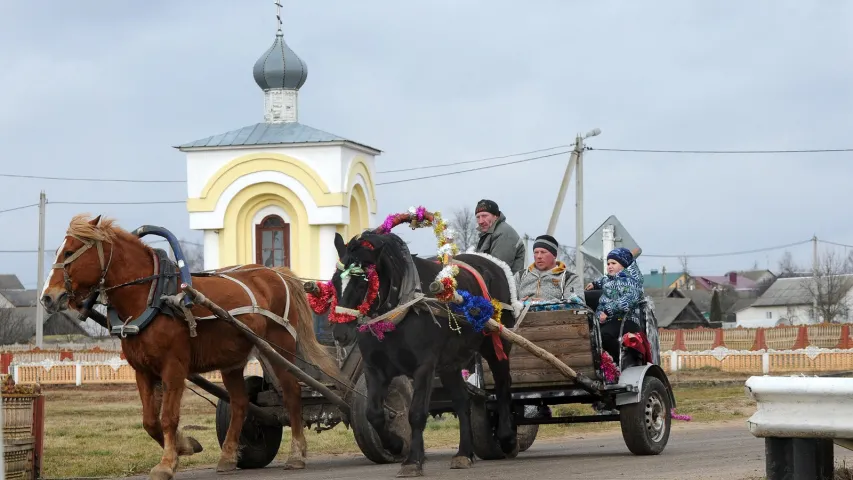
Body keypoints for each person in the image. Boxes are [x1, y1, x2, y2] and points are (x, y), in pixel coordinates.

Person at [585, 247, 644, 369]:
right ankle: (597, 362)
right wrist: (595, 284)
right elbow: (604, 280)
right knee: (590, 336)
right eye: (608, 264)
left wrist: (608, 310)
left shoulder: (630, 281)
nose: (610, 266)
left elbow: (629, 300)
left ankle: (617, 361)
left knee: (604, 336)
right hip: (609, 318)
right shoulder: (610, 279)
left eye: (613, 263)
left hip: (625, 319)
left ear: (623, 265)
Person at [514, 234, 584, 304]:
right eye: (536, 252)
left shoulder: (569, 278)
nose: (539, 256)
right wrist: (517, 304)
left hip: (556, 315)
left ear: (554, 255)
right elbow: (506, 302)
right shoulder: (520, 276)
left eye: (543, 252)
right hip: (523, 314)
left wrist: (546, 304)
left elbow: (577, 303)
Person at [473, 199, 525, 274]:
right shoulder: (488, 234)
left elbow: (496, 269)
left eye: (484, 216)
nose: (480, 221)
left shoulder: (504, 233)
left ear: (496, 216)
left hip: (505, 284)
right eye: (478, 217)